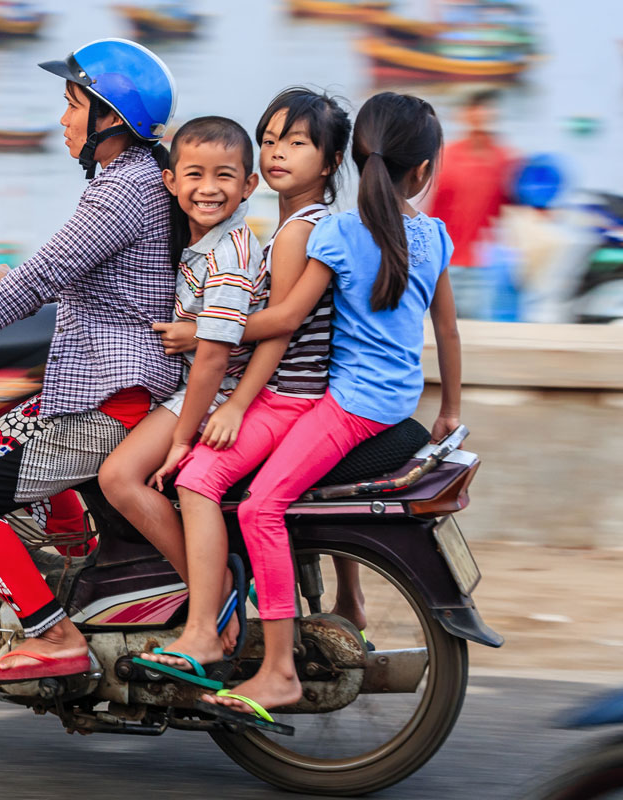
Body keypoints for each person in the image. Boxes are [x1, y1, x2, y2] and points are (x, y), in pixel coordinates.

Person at [0, 39, 180, 685]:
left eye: (71, 104)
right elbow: (67, 272)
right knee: (7, 434)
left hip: (109, 397)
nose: (62, 119)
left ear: (111, 118)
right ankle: (75, 573)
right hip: (123, 386)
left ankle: (52, 634)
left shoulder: (122, 191)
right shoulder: (135, 179)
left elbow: (46, 274)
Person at [197, 91, 462, 727]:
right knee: (313, 484)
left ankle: (281, 669)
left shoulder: (336, 231)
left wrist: (202, 332)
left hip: (347, 404)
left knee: (261, 505)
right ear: (421, 170)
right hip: (396, 400)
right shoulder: (433, 234)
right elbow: (447, 333)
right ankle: (350, 597)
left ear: (351, 158)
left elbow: (287, 319)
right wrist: (449, 408)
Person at [128, 88, 352, 673]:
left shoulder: (297, 231)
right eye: (272, 140)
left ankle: (208, 616)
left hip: (278, 394)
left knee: (188, 480)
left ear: (329, 161)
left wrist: (208, 352)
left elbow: (279, 326)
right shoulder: (285, 228)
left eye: (297, 144)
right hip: (280, 388)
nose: (279, 153)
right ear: (173, 181)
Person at [97, 116, 263, 598]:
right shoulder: (192, 240)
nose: (208, 188)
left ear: (248, 184)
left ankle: (210, 591)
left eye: (224, 176)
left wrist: (180, 441)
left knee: (120, 477)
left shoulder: (228, 258)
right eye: (194, 174)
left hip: (211, 392)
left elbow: (212, 360)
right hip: (192, 385)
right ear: (170, 180)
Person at [427, 89, 514, 320]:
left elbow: (522, 201)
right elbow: (426, 209)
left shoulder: (505, 160)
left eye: (487, 111)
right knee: (437, 334)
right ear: (464, 115)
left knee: (474, 336)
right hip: (444, 262)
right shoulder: (444, 157)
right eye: (475, 111)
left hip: (482, 266)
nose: (481, 116)